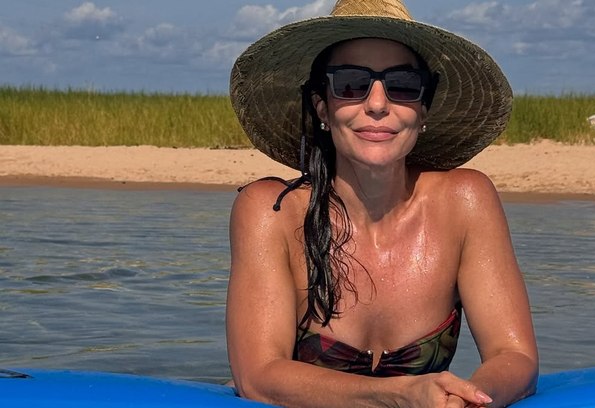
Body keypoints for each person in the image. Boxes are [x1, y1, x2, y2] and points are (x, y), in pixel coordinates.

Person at [226, 0, 538, 407]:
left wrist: (469, 398)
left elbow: (513, 355)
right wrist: (398, 396)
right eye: (351, 83)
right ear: (322, 107)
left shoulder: (465, 202)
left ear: (422, 110)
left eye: (402, 85)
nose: (376, 104)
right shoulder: (271, 212)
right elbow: (258, 377)